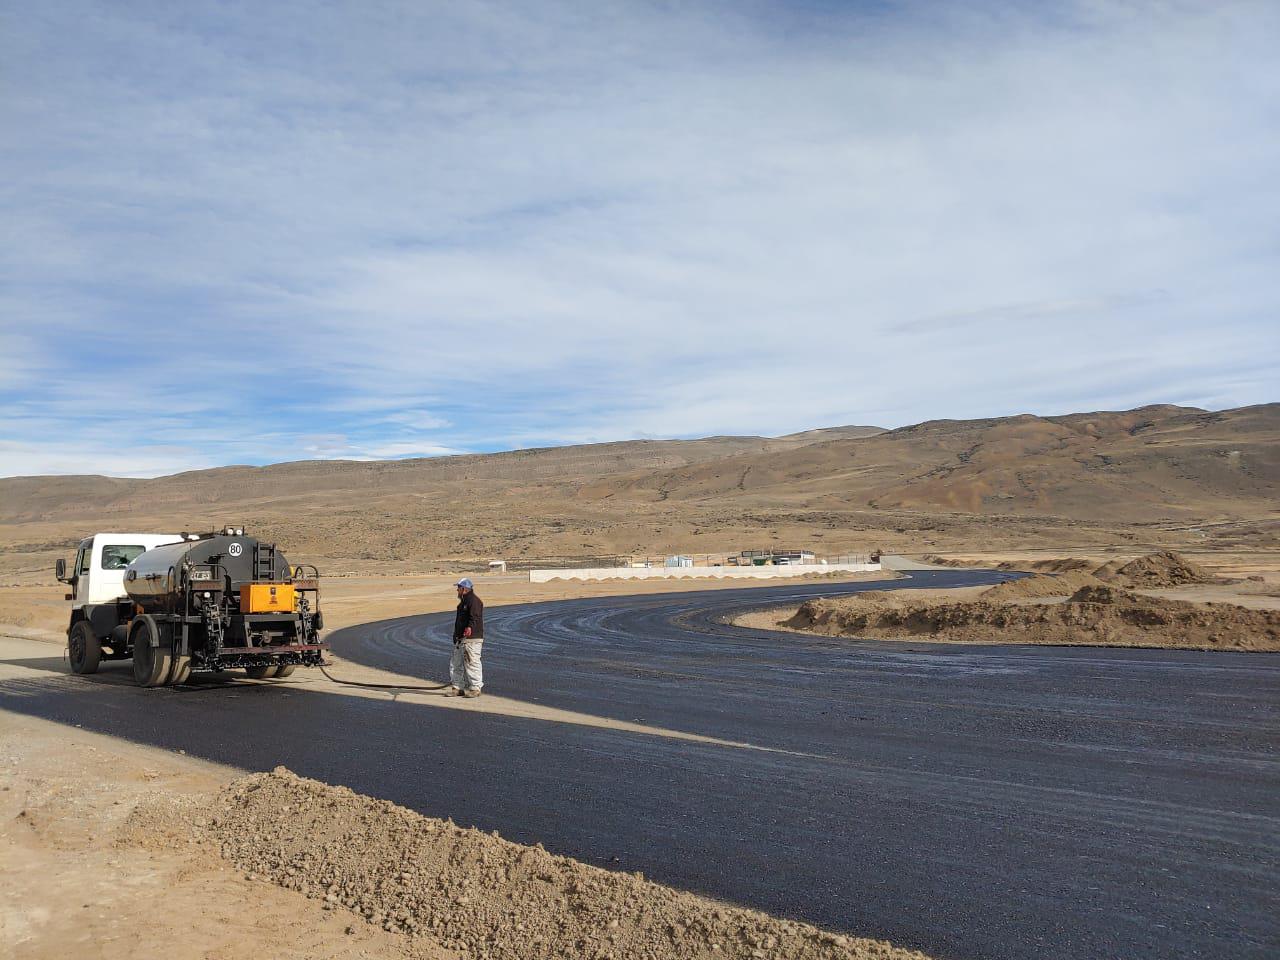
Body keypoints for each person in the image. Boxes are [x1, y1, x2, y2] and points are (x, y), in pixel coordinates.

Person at [450, 578, 484, 698]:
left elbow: (475, 617)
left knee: (472, 662)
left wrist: (470, 627)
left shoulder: (474, 601)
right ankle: (457, 688)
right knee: (456, 664)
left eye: (458, 588)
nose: (457, 590)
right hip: (461, 639)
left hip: (472, 639)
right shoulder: (463, 603)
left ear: (464, 589)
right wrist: (456, 635)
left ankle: (475, 688)